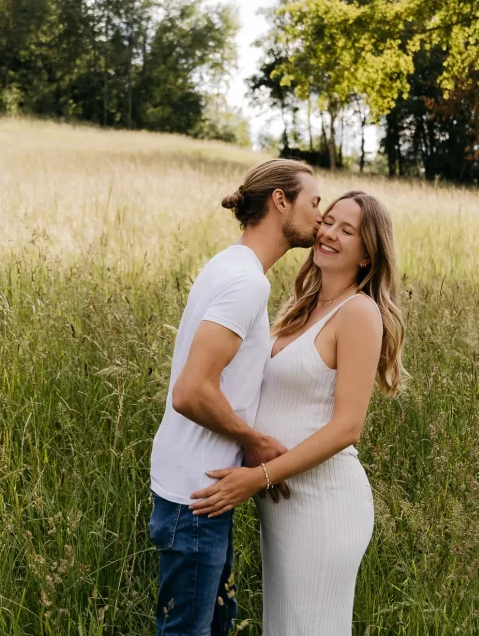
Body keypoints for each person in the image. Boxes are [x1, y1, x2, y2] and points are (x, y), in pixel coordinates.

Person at [189, 190, 406, 635]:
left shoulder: (359, 313)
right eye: (328, 221)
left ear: (368, 254)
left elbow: (348, 427)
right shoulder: (300, 309)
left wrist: (258, 477)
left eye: (347, 231)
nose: (328, 233)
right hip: (283, 506)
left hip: (323, 504)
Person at [148, 158, 323, 635]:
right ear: (280, 201)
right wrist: (256, 441)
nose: (320, 216)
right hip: (197, 497)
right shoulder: (246, 282)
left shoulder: (231, 265)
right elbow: (191, 391)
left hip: (200, 491)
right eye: (314, 202)